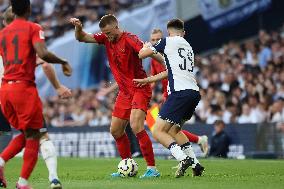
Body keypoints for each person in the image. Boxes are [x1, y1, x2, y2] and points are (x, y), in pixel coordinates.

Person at [70, 14, 160, 178]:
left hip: (140, 87)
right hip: (125, 92)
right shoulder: (105, 38)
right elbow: (81, 38)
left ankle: (152, 169)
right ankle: (127, 165)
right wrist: (78, 28)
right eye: (105, 34)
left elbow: (145, 51)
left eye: (110, 33)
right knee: (116, 130)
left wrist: (160, 59)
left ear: (116, 27)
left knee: (136, 126)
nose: (108, 37)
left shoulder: (130, 39)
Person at [0, 1, 72, 188]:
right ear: (29, 10)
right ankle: (24, 182)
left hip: (5, 91)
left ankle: (1, 163)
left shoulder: (2, 35)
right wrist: (63, 61)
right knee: (36, 134)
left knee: (26, 134)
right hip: (23, 90)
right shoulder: (33, 28)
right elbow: (43, 54)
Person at [134, 18, 204, 177]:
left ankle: (182, 158)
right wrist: (149, 80)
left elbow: (141, 55)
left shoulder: (167, 41)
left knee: (158, 131)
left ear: (168, 33)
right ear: (184, 32)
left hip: (178, 93)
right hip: (193, 93)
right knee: (175, 129)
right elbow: (170, 71)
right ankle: (195, 164)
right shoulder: (188, 47)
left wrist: (147, 46)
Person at [147, 28, 208, 156]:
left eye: (158, 39)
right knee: (168, 129)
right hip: (168, 94)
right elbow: (153, 77)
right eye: (153, 40)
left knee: (165, 129)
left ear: (163, 39)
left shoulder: (170, 53)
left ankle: (184, 155)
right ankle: (190, 152)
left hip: (177, 92)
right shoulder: (153, 59)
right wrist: (147, 89)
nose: (155, 42)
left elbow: (169, 72)